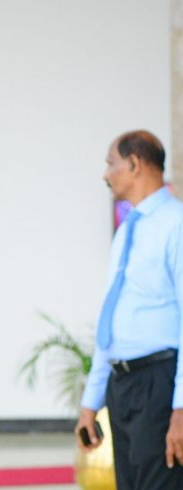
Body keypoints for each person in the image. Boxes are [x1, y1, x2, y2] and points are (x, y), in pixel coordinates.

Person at [77, 130, 183, 489]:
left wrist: (181, 408)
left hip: (159, 382)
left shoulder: (176, 223)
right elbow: (113, 314)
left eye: (111, 164)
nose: (106, 174)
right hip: (122, 387)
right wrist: (90, 403)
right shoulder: (127, 231)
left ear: (135, 164)